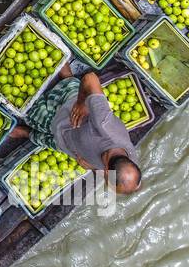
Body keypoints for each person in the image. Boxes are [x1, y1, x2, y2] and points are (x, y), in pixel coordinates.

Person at [13, 65, 142, 193]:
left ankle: (26, 132)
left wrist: (92, 168)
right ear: (107, 171)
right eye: (107, 180)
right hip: (66, 114)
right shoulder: (104, 125)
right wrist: (81, 102)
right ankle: (66, 77)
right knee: (30, 108)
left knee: (46, 139)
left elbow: (130, 181)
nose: (105, 180)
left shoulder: (128, 165)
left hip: (69, 144)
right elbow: (91, 79)